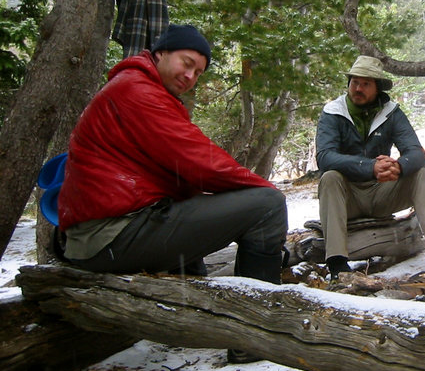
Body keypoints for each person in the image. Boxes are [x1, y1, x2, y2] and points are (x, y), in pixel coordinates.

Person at [58, 24, 288, 291]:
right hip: (109, 235)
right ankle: (260, 311)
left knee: (190, 201)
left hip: (103, 234)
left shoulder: (139, 87)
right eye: (187, 63)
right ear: (161, 53)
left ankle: (197, 298)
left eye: (198, 73)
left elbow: (183, 172)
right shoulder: (138, 91)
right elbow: (202, 164)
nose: (190, 76)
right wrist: (266, 190)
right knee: (267, 206)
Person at [315, 55, 425, 278]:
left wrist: (399, 167)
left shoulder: (391, 112)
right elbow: (324, 157)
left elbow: (417, 153)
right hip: (347, 198)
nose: (358, 88)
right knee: (330, 177)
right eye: (355, 82)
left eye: (365, 84)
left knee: (422, 175)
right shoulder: (333, 112)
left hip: (383, 192)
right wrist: (370, 166)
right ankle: (337, 264)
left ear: (377, 88)